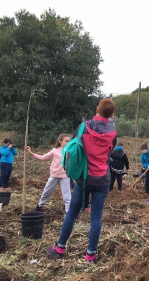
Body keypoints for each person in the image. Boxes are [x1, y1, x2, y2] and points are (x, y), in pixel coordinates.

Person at [46, 98, 117, 263]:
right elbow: (110, 151)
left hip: (84, 178)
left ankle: (59, 248)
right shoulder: (113, 132)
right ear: (112, 114)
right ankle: (90, 254)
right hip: (102, 179)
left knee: (72, 213)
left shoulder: (83, 127)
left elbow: (74, 145)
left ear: (97, 109)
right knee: (96, 216)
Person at [26, 134, 72, 212]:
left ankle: (68, 213)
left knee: (67, 196)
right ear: (60, 141)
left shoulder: (70, 151)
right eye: (66, 141)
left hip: (65, 176)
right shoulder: (55, 151)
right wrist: (32, 153)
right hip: (54, 175)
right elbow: (43, 157)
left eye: (69, 141)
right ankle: (40, 206)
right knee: (46, 192)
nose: (68, 143)